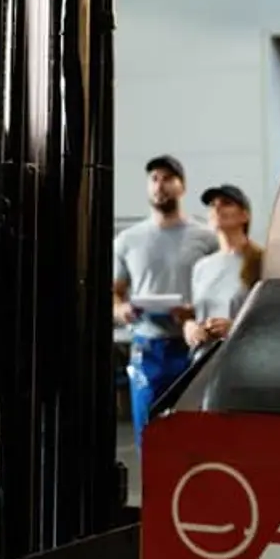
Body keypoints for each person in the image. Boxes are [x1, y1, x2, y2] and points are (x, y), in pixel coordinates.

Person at [113, 155, 218, 447]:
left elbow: (219, 290)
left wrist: (195, 313)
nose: (161, 185)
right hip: (149, 351)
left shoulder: (206, 238)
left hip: (195, 348)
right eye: (155, 179)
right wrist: (121, 310)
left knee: (195, 436)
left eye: (168, 179)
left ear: (181, 186)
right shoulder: (128, 240)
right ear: (148, 187)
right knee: (150, 436)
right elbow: (115, 292)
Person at [185, 184, 264, 349]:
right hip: (203, 361)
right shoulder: (202, 267)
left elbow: (276, 320)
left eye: (226, 203)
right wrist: (190, 327)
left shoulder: (263, 261)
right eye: (213, 205)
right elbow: (196, 313)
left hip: (242, 359)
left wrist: (236, 328)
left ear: (245, 215)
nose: (217, 208)